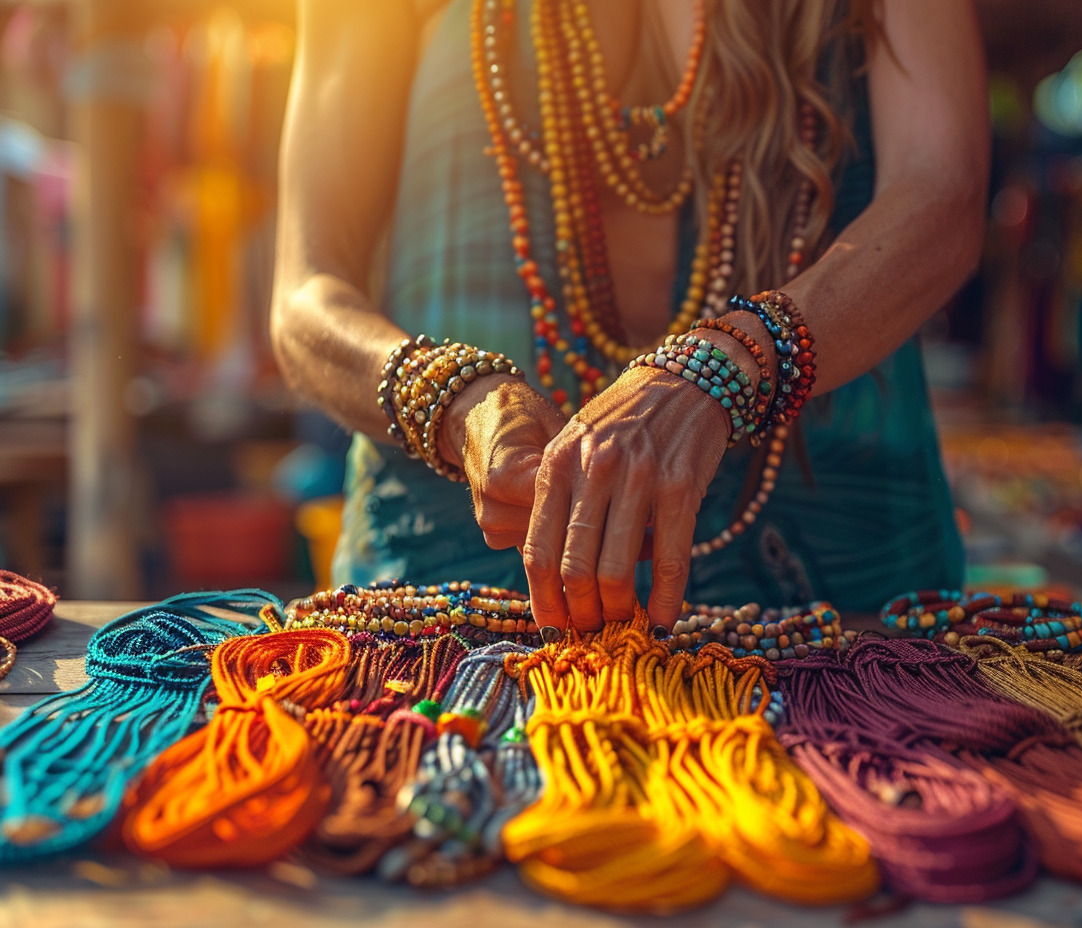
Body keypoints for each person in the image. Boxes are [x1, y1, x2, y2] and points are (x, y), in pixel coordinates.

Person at [271, 0, 989, 636]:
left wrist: (725, 366)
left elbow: (942, 190)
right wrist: (460, 402)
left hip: (850, 630)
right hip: (445, 627)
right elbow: (306, 297)